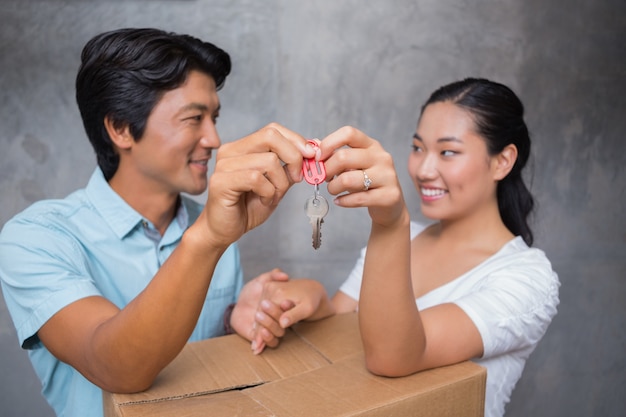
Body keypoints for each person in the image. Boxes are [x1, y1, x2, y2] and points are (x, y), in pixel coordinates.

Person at [0, 27, 333, 417]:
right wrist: (208, 237)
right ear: (120, 128)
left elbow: (207, 356)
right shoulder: (35, 238)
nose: (214, 138)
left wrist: (235, 318)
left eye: (215, 117)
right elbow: (116, 366)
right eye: (194, 118)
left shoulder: (214, 225)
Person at [253, 78, 560, 417]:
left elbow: (392, 355)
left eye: (448, 152)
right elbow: (343, 324)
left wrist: (390, 224)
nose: (424, 170)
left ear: (502, 161)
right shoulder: (407, 236)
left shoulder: (528, 277)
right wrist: (313, 298)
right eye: (418, 148)